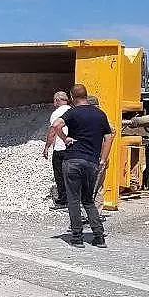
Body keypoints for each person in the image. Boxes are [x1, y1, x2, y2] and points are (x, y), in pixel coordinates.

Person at [44, 84, 114, 247]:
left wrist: (65, 138)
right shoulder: (100, 114)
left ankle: (77, 238)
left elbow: (55, 126)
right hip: (91, 162)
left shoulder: (72, 112)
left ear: (72, 97)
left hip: (73, 160)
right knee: (88, 200)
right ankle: (99, 237)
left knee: (73, 200)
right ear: (86, 95)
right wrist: (103, 159)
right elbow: (108, 137)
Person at [46, 91, 70, 209]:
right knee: (72, 174)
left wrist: (46, 148)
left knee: (59, 175)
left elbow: (52, 132)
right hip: (72, 148)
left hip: (60, 148)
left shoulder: (56, 114)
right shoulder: (73, 110)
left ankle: (63, 200)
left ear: (57, 100)